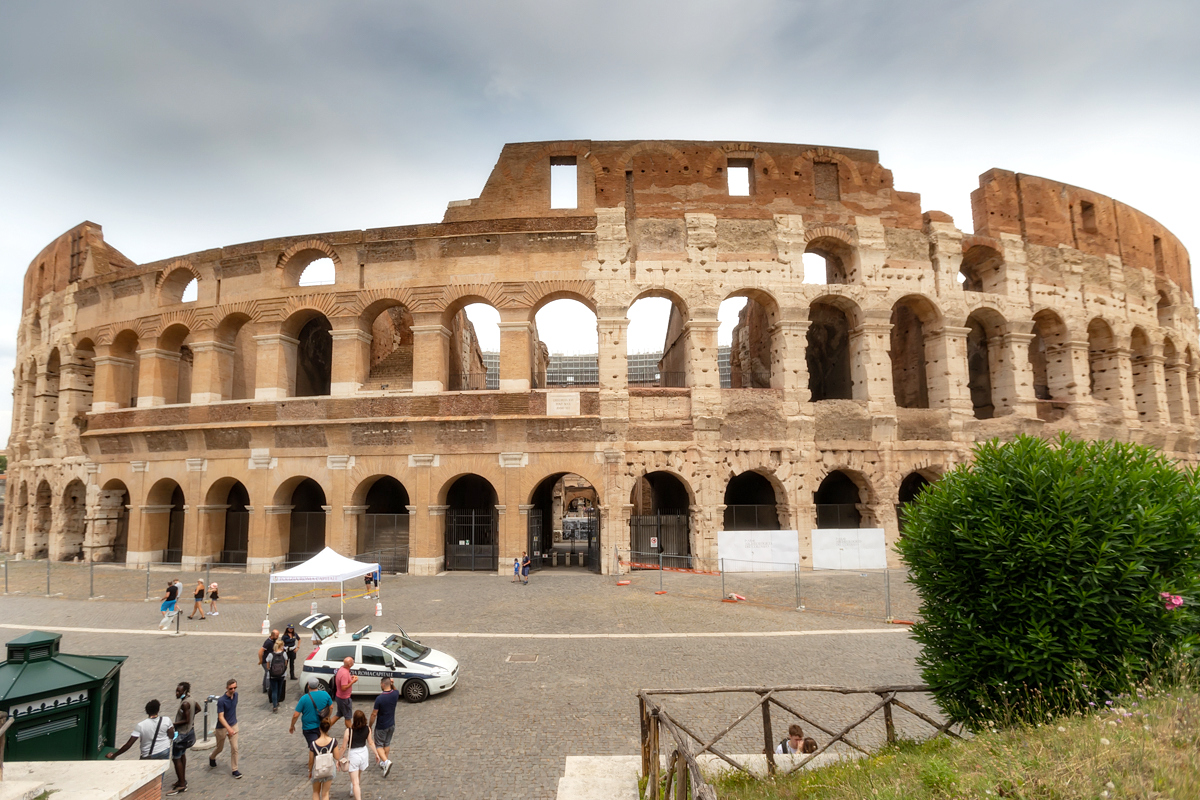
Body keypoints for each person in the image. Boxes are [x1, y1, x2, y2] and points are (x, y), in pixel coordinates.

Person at [291, 676, 334, 774]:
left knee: (314, 746)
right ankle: (320, 762)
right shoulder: (325, 694)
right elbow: (331, 707)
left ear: (308, 686)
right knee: (321, 744)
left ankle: (317, 766)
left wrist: (292, 725)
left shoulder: (304, 698)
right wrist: (327, 717)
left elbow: (295, 715)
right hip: (322, 725)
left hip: (309, 727)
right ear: (317, 685)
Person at [106, 699, 174, 761]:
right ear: (158, 710)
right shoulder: (166, 720)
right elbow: (171, 735)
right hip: (164, 750)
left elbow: (128, 744)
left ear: (146, 711)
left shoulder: (141, 725)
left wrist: (114, 755)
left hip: (148, 755)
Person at [167, 682, 201, 794]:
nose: (176, 693)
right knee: (182, 755)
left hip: (182, 734)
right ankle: (181, 779)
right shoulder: (191, 699)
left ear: (184, 691)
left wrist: (173, 724)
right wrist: (191, 717)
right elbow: (198, 709)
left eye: (179, 691)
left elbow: (186, 720)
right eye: (176, 691)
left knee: (176, 758)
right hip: (188, 732)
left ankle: (182, 784)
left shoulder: (185, 704)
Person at [340, 710, 378, 800]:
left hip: (354, 755)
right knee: (358, 775)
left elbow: (343, 747)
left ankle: (356, 793)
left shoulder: (349, 731)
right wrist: (376, 754)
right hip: (363, 754)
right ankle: (353, 790)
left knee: (355, 783)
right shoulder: (367, 729)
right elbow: (371, 743)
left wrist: (338, 758)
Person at [209, 678, 242, 779]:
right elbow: (221, 717)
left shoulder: (236, 695)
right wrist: (228, 729)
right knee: (220, 748)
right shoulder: (221, 701)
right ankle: (212, 757)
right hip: (222, 727)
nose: (233, 690)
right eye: (231, 688)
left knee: (235, 748)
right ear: (227, 688)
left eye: (235, 688)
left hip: (233, 724)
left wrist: (232, 728)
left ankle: (235, 769)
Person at [368, 677, 398, 777]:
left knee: (379, 745)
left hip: (381, 726)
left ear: (383, 684)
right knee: (387, 743)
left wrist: (370, 725)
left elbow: (374, 714)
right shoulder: (395, 694)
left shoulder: (380, 698)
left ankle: (386, 761)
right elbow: (395, 689)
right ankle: (384, 763)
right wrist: (392, 683)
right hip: (391, 724)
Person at [309, 718, 340, 800]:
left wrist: (310, 771)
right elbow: (337, 757)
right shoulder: (333, 741)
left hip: (317, 769)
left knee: (315, 792)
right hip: (329, 769)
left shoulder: (313, 744)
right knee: (325, 793)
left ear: (320, 728)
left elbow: (311, 761)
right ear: (329, 728)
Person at [332, 656, 358, 728]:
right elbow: (343, 687)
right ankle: (351, 732)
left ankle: (325, 728)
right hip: (344, 698)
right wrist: (353, 681)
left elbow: (344, 681)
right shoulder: (345, 673)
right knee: (348, 717)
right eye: (352, 661)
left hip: (339, 696)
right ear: (349, 664)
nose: (353, 662)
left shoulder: (342, 669)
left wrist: (350, 678)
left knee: (338, 714)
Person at [267, 640, 289, 712]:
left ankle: (274, 706)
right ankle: (277, 701)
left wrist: (270, 670)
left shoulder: (270, 654)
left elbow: (268, 665)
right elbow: (286, 663)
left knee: (274, 690)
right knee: (279, 689)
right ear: (281, 646)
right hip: (281, 674)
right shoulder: (284, 654)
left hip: (272, 675)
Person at [258, 628, 280, 695]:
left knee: (266, 673)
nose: (278, 637)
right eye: (277, 636)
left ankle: (265, 687)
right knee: (268, 673)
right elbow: (260, 651)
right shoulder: (268, 642)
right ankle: (268, 688)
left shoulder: (273, 641)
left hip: (269, 660)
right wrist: (261, 660)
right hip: (266, 661)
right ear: (272, 635)